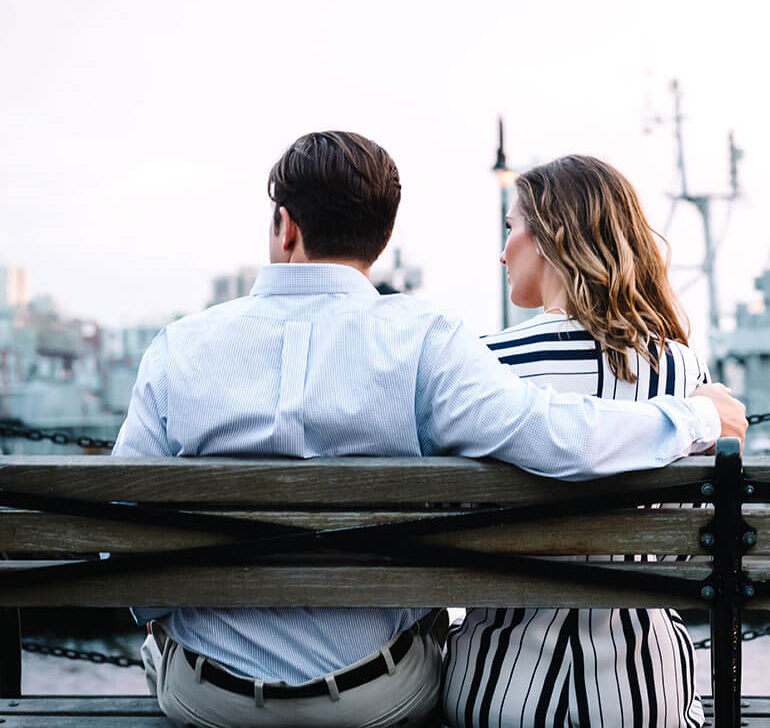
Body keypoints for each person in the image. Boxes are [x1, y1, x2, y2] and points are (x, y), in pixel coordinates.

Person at [113, 133, 745, 728]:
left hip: (211, 699)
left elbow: (123, 536)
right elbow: (556, 437)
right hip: (376, 697)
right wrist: (695, 417)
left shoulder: (178, 347)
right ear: (381, 237)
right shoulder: (425, 342)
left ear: (286, 225)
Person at [442, 155, 715, 728]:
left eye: (511, 228)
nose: (502, 252)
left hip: (497, 688)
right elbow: (690, 546)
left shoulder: (484, 366)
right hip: (646, 693)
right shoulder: (680, 372)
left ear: (552, 238)